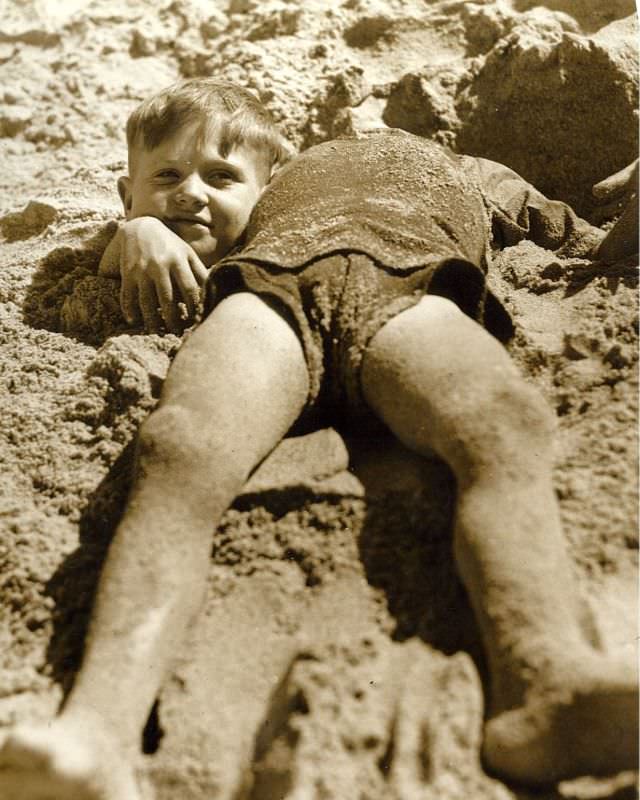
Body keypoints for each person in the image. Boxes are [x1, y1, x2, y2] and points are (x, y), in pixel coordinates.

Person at [0, 78, 636, 799]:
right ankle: (100, 729)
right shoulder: (269, 185)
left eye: (390, 112)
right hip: (267, 286)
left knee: (500, 419)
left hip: (411, 283)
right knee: (181, 448)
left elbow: (583, 241)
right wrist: (136, 228)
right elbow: (160, 224)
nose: (367, 119)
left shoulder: (472, 171)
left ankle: (546, 679)